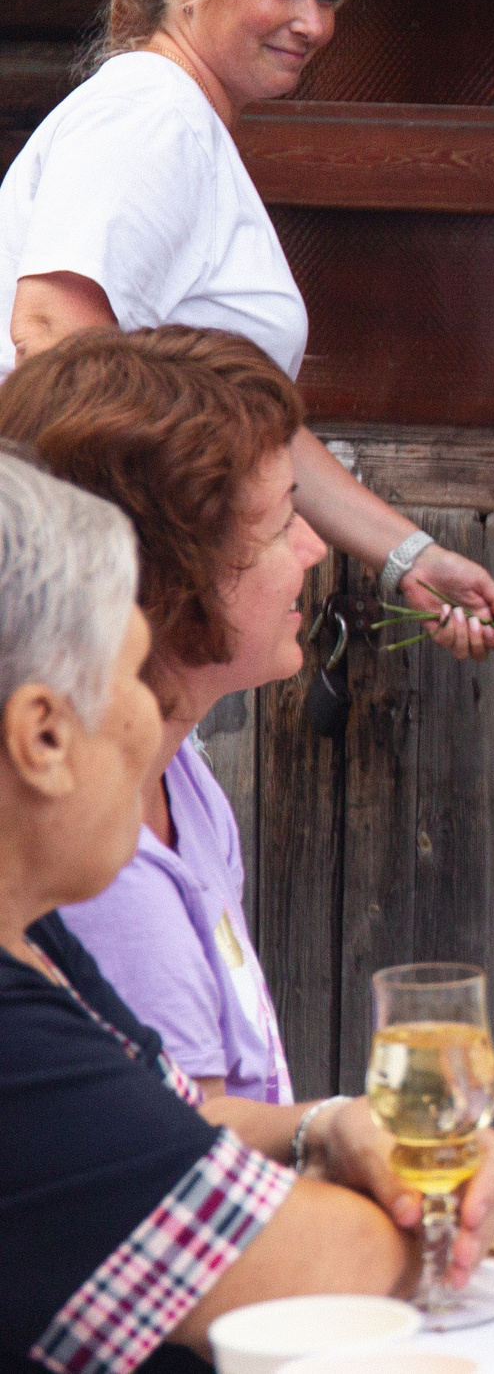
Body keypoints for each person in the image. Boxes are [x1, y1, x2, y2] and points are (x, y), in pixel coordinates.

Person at [0, 454, 494, 1373]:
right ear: (40, 735)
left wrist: (330, 1126)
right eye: (132, 680)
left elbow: (171, 1118)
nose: (156, 721)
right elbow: (300, 1263)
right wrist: (436, 1200)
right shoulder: (13, 1045)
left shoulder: (35, 940)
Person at [0, 0, 494, 662]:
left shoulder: (184, 124)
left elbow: (244, 421)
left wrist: (408, 557)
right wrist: (154, 563)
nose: (313, 23)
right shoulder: (152, 113)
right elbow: (50, 328)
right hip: (72, 601)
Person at [0, 328, 322, 1102]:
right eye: (280, 524)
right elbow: (194, 1159)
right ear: (173, 578)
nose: (312, 547)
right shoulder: (101, 875)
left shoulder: (183, 778)